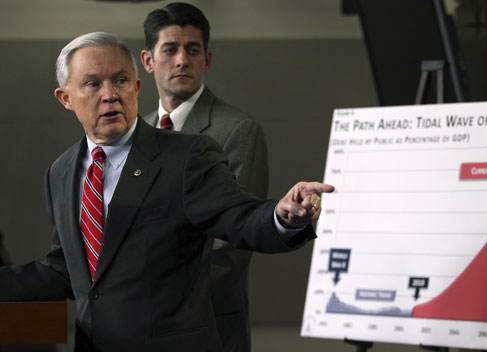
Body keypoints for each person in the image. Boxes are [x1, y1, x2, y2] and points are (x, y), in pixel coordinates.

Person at [0, 32, 332, 351]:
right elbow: (66, 268)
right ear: (66, 98)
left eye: (120, 80)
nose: (109, 94)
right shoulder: (60, 172)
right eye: (92, 84)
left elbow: (237, 215)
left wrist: (281, 217)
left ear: (137, 86)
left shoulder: (187, 156)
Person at [140, 4, 267, 351]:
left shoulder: (238, 130)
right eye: (170, 49)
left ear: (207, 60)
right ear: (148, 61)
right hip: (138, 328)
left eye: (192, 50)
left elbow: (236, 245)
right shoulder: (137, 133)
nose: (182, 60)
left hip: (207, 328)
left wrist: (159, 301)